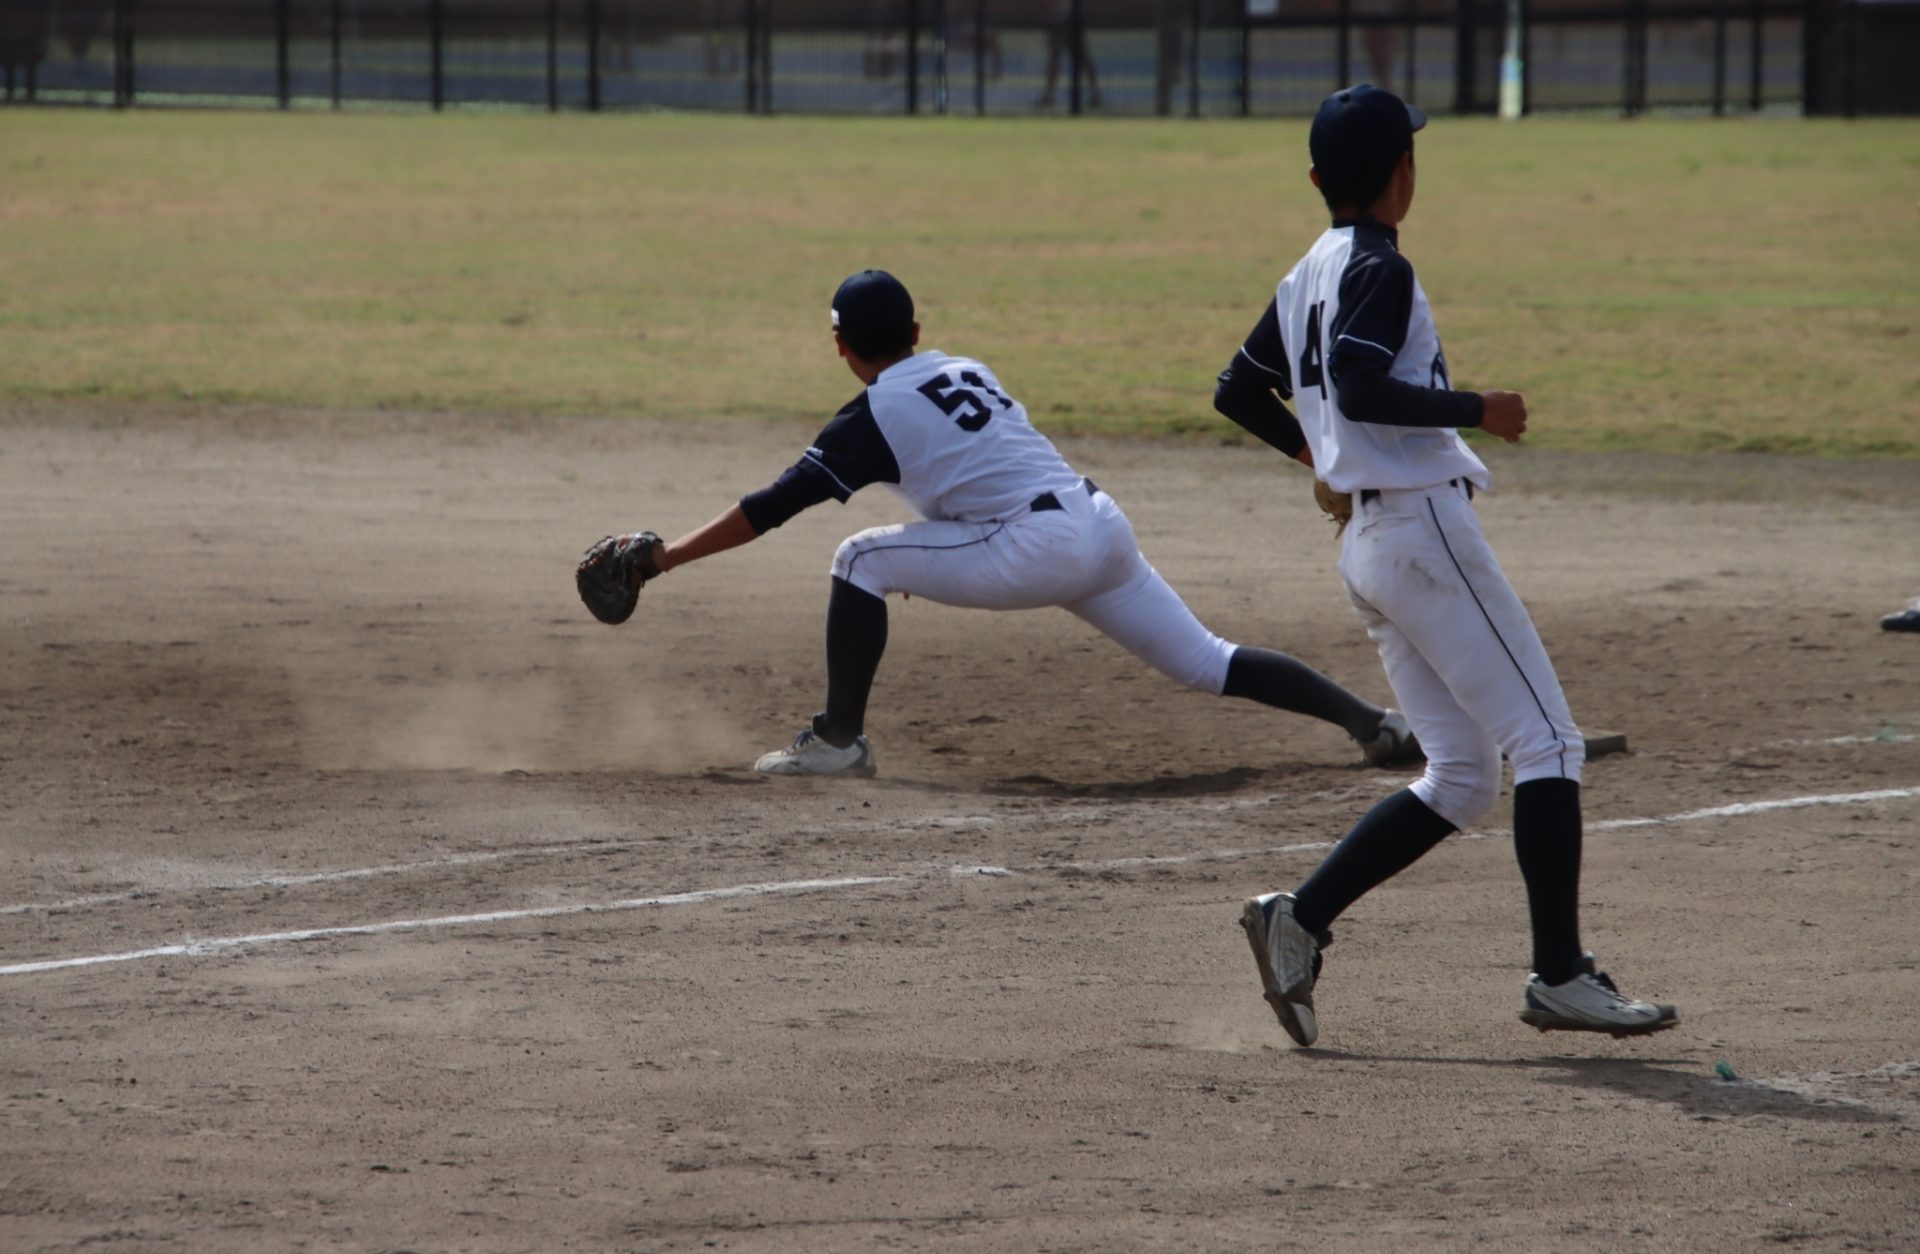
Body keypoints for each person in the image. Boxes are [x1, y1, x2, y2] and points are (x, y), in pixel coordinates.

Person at [1213, 86, 1678, 1045]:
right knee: (1549, 744)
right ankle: (1559, 976)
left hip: (1371, 551)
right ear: (1404, 174)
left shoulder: (1307, 268)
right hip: (1422, 537)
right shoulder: (1380, 264)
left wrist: (1323, 460)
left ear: (1314, 180)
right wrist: (1478, 409)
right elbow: (1358, 379)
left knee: (1462, 778)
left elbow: (1239, 390)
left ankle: (1298, 917)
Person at [632, 269, 1421, 779]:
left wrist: (664, 559)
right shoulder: (964, 366)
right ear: (915, 331)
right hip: (1098, 524)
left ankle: (840, 740)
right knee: (1206, 660)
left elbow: (772, 508)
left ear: (840, 347)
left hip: (1032, 546)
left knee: (858, 562)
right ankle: (1374, 724)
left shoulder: (869, 415)